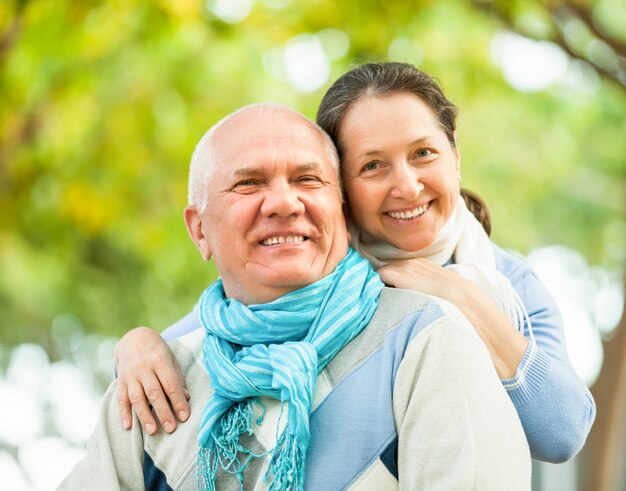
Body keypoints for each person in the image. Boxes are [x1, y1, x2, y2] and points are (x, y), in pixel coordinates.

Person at [114, 63, 595, 464]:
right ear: (339, 187)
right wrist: (137, 345)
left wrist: (462, 299)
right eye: (372, 166)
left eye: (423, 153)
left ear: (455, 158)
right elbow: (201, 334)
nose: (406, 187)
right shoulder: (316, 277)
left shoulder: (507, 281)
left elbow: (562, 434)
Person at [59, 104, 530, 490]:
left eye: (308, 180)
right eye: (249, 183)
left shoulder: (427, 339)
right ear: (199, 230)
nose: (284, 203)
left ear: (342, 210)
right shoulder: (155, 382)